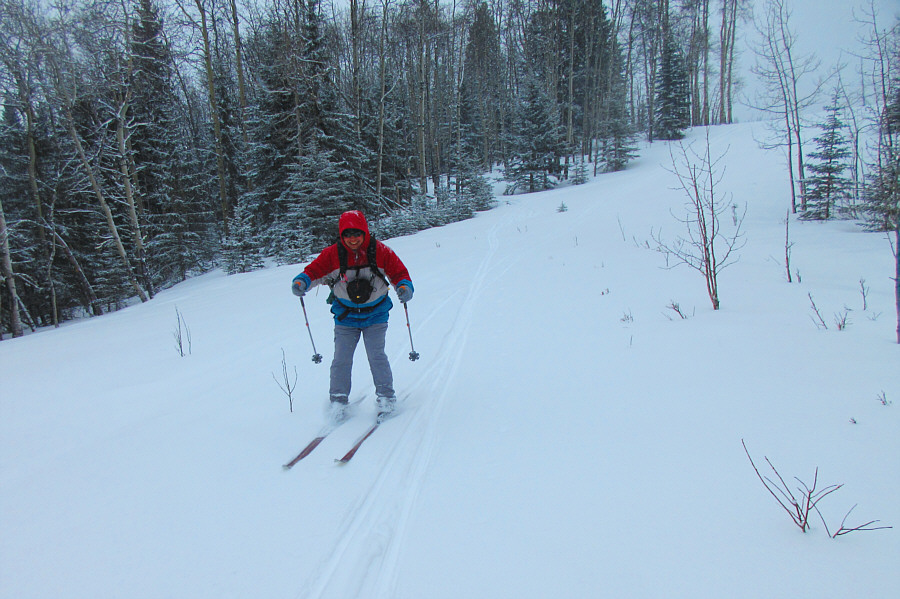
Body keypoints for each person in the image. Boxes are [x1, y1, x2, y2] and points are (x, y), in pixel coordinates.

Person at [291, 210, 414, 422]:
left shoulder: (380, 251)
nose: (353, 238)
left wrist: (404, 286)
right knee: (341, 359)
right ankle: (338, 400)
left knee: (376, 356)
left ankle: (386, 398)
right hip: (346, 316)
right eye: (347, 234)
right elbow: (314, 271)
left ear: (365, 232)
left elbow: (399, 272)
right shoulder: (333, 254)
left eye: (357, 233)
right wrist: (302, 281)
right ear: (341, 235)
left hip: (376, 314)